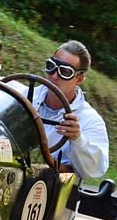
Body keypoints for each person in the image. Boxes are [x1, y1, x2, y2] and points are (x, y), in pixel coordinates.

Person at [31, 40, 109, 180]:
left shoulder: (90, 120)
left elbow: (95, 171)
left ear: (79, 79)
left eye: (65, 72)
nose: (54, 76)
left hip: (50, 189)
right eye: (51, 66)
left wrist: (78, 138)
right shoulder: (24, 96)